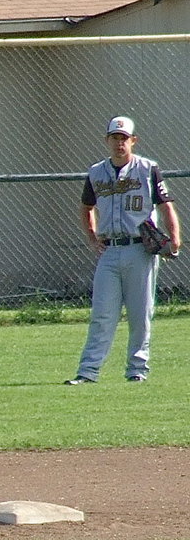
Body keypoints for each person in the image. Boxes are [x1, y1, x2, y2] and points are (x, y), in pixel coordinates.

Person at [65, 116, 180, 384]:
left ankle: (137, 370)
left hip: (140, 249)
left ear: (133, 141)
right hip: (109, 250)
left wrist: (174, 238)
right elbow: (86, 208)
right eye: (115, 138)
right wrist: (92, 238)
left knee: (140, 314)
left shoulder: (148, 168)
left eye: (124, 138)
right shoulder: (96, 172)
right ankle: (87, 373)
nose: (119, 143)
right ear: (107, 140)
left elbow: (165, 205)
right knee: (102, 314)